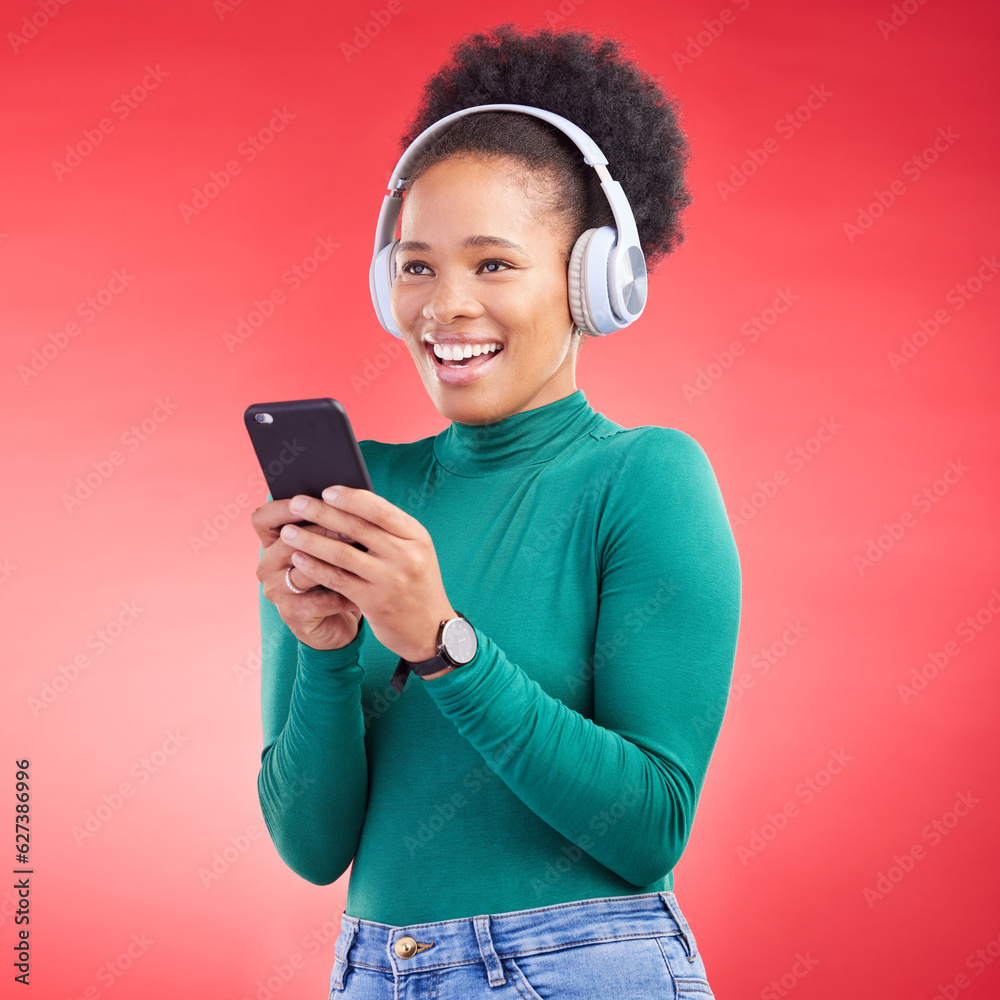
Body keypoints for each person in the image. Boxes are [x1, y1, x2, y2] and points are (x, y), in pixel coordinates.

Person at [251, 23, 741, 998]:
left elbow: (646, 830)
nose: (443, 307)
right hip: (373, 970)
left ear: (594, 279)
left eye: (493, 264)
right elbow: (312, 848)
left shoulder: (645, 478)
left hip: (584, 963)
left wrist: (440, 640)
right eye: (418, 265)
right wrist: (324, 644)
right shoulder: (360, 503)